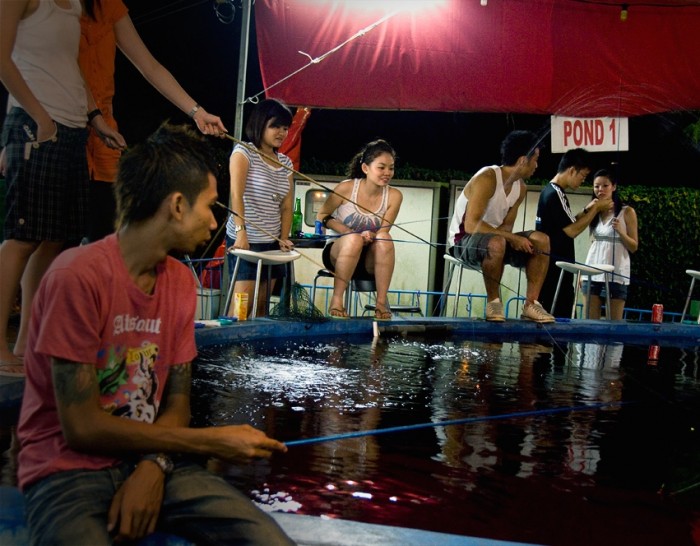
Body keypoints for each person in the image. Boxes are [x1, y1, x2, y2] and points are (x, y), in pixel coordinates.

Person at [16, 123, 294, 545]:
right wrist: (209, 442)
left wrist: (154, 465)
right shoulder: (76, 277)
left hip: (152, 461)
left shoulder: (181, 283)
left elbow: (176, 401)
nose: (214, 220)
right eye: (210, 205)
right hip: (66, 470)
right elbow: (81, 427)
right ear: (177, 205)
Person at [0, 0, 124, 377]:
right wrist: (40, 117)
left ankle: (28, 340)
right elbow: (2, 59)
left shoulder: (72, 4)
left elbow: (71, 68)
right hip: (34, 125)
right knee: (21, 239)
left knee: (54, 238)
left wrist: (96, 119)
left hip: (72, 127)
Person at [80, 0, 227, 242]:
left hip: (105, 139)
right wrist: (94, 117)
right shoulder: (57, 8)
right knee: (47, 239)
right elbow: (60, 66)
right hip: (66, 127)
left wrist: (197, 112)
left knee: (102, 235)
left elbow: (150, 66)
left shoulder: (109, 6)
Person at [447, 130, 554, 323]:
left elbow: (506, 230)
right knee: (497, 242)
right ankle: (493, 303)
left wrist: (517, 241)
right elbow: (471, 225)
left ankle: (531, 304)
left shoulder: (520, 188)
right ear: (523, 160)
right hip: (463, 242)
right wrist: (512, 238)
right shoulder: (487, 177)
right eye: (535, 159)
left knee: (541, 240)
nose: (537, 165)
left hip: (496, 243)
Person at [316, 139, 403, 319]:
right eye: (381, 167)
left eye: (391, 168)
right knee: (354, 240)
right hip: (337, 253)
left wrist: (373, 234)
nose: (387, 172)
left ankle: (380, 302)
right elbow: (322, 215)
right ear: (365, 168)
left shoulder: (394, 196)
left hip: (369, 260)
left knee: (385, 238)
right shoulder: (346, 188)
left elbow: (383, 231)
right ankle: (337, 300)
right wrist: (348, 232)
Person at [225, 98, 295, 318]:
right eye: (275, 126)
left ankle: (254, 353)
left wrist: (284, 237)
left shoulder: (286, 163)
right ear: (260, 124)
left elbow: (286, 206)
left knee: (263, 305)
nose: (281, 133)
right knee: (241, 307)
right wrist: (240, 233)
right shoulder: (243, 152)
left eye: (285, 128)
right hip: (246, 240)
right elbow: (236, 195)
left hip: (272, 242)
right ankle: (231, 351)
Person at [535, 148, 613, 318]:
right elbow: (572, 231)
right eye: (582, 176)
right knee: (558, 319)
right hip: (555, 272)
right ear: (571, 170)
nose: (582, 181)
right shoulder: (555, 194)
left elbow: (567, 222)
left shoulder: (549, 192)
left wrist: (588, 209)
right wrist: (596, 209)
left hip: (550, 270)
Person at [582, 169, 638, 319]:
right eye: (596, 186)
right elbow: (592, 243)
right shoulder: (594, 210)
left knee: (613, 327)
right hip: (592, 273)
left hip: (616, 274)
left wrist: (621, 231)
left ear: (614, 186)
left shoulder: (627, 212)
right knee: (589, 324)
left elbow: (634, 246)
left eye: (605, 185)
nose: (600, 190)